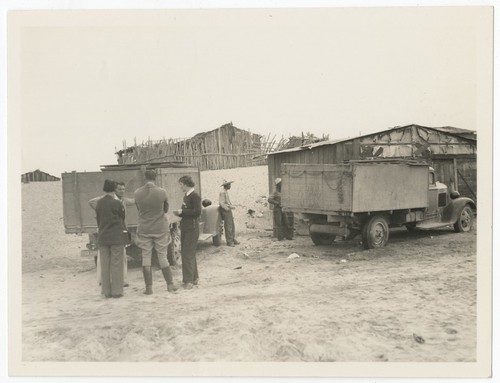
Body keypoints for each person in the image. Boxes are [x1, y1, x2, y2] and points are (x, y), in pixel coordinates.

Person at [134, 170, 177, 295]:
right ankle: (170, 285)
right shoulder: (162, 192)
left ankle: (149, 288)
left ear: (144, 178)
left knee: (146, 257)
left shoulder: (137, 193)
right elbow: (165, 209)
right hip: (160, 228)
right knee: (162, 257)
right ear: (155, 178)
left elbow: (138, 209)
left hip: (144, 228)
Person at [89, 181, 134, 287]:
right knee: (108, 258)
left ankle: (121, 280)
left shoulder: (123, 200)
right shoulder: (108, 200)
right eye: (119, 189)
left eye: (123, 189)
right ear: (114, 190)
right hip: (112, 231)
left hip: (117, 230)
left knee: (119, 258)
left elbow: (134, 201)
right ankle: (105, 280)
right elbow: (91, 202)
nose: (122, 191)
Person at [95, 179, 127, 298]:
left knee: (105, 265)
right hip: (116, 237)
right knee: (116, 264)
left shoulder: (99, 203)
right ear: (114, 189)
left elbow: (98, 220)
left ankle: (106, 291)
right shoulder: (117, 203)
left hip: (103, 237)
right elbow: (122, 218)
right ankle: (117, 291)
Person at [173, 175, 201, 289]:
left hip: (192, 228)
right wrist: (180, 213)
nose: (180, 187)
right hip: (186, 227)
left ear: (185, 184)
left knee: (187, 254)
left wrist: (182, 211)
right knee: (188, 253)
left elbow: (197, 212)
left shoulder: (195, 196)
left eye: (180, 185)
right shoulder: (186, 196)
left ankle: (188, 281)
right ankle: (194, 278)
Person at [219, 180, 239, 247]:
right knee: (228, 226)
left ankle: (232, 239)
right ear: (226, 185)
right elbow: (221, 203)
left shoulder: (225, 192)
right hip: (225, 210)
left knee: (232, 225)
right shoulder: (222, 192)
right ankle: (229, 242)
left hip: (228, 209)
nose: (230, 186)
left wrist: (230, 207)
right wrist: (228, 208)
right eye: (229, 185)